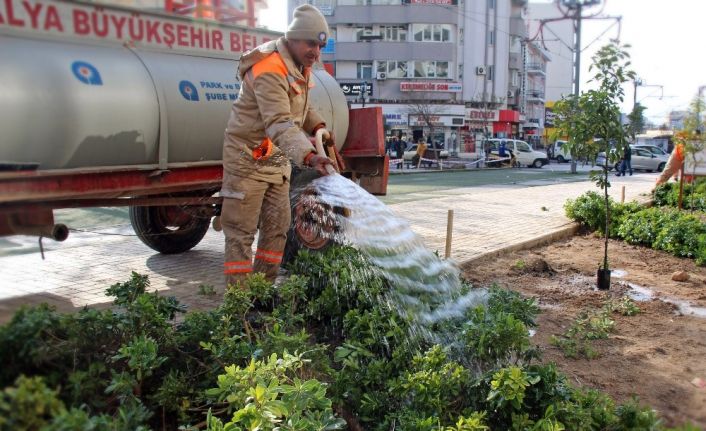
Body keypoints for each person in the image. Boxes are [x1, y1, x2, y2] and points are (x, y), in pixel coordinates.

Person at [220, 4, 334, 287]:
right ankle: (239, 308)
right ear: (293, 38)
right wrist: (309, 156)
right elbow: (280, 122)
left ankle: (261, 292)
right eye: (311, 44)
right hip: (248, 161)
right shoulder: (270, 67)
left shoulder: (299, 65)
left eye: (320, 47)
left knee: (277, 231)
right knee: (241, 235)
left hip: (275, 161)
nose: (316, 53)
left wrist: (318, 126)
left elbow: (300, 109)